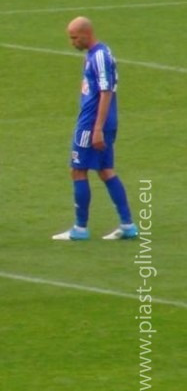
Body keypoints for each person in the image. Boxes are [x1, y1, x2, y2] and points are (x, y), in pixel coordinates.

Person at [52, 17, 137, 241]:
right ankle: (127, 225)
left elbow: (106, 92)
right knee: (105, 170)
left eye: (74, 38)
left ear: (86, 34)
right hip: (101, 122)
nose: (72, 42)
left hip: (92, 124)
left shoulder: (99, 56)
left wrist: (97, 128)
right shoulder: (96, 53)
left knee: (78, 170)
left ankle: (80, 228)